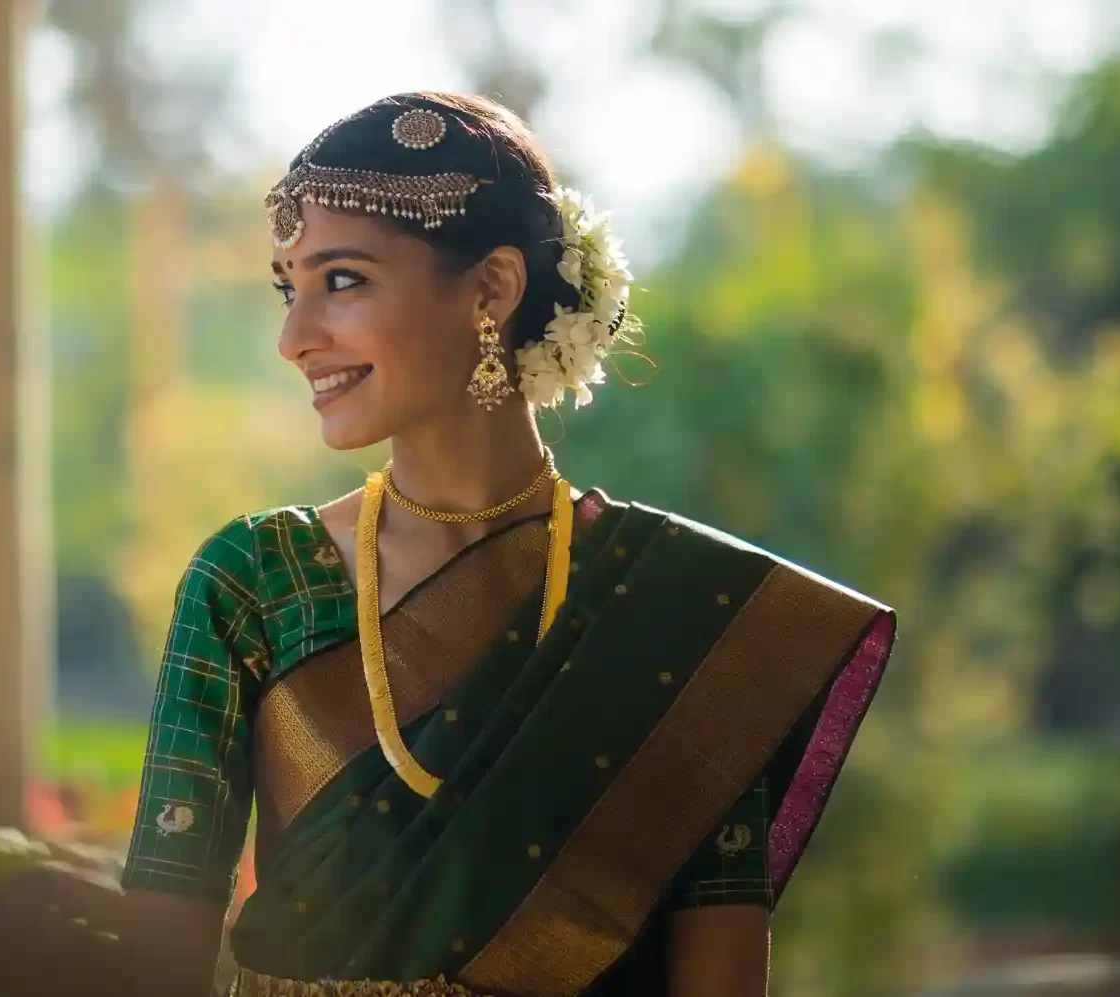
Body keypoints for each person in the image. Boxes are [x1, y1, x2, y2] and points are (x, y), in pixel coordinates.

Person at [117, 92, 897, 997]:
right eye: (289, 288)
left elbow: (719, 969)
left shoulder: (678, 614)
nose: (295, 339)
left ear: (490, 288)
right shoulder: (256, 581)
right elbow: (155, 952)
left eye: (342, 280)